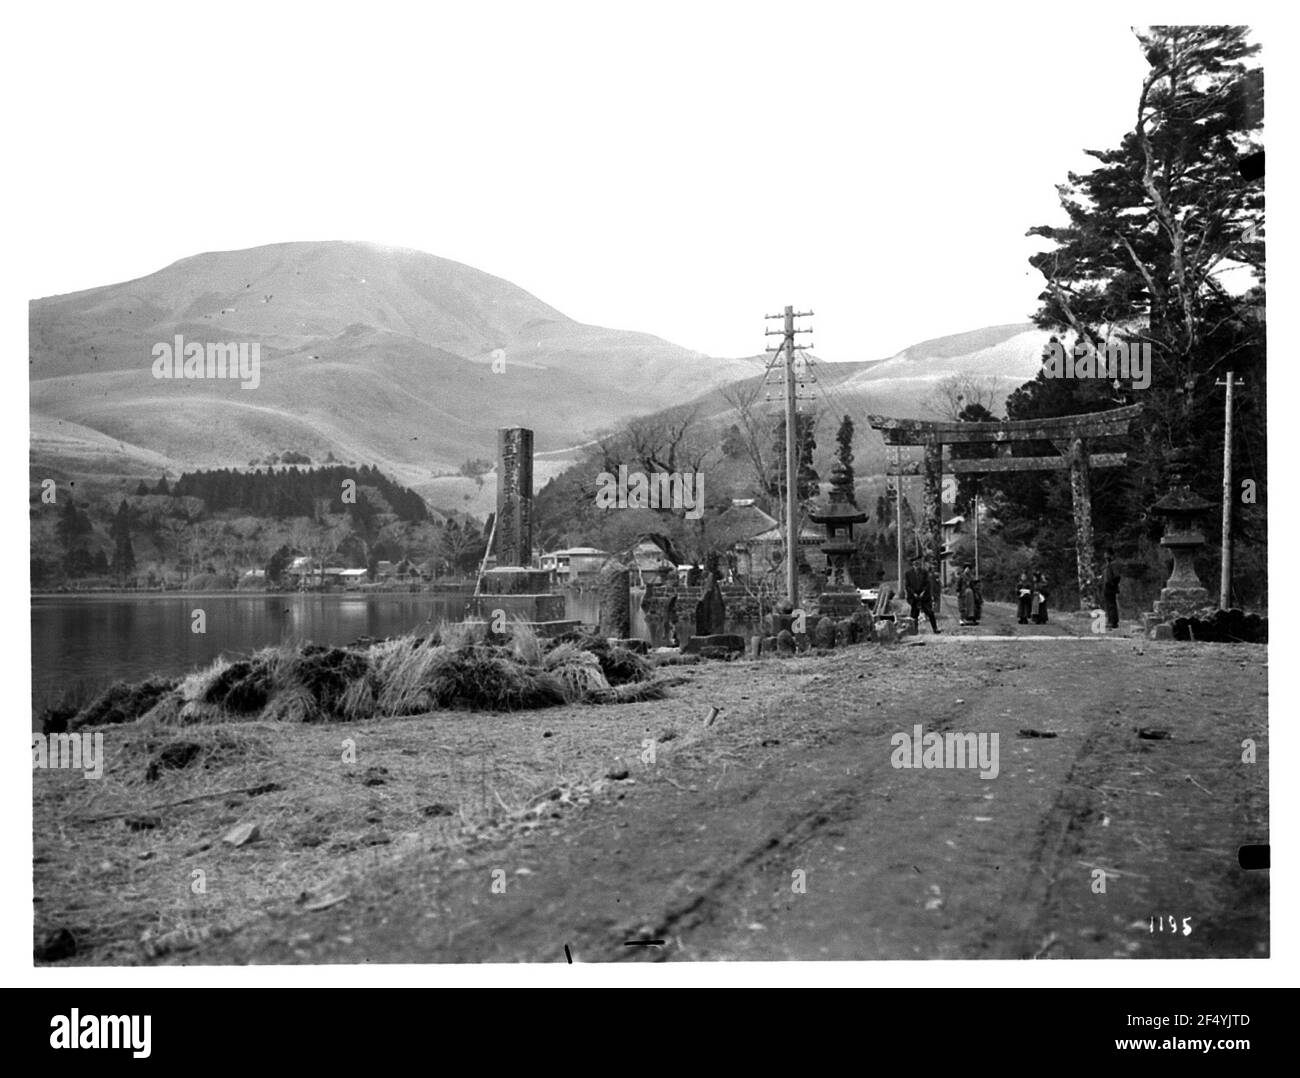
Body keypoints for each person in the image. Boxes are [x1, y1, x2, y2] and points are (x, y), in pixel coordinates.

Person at [904, 554, 940, 634]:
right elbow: (907, 586)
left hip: (924, 597)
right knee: (914, 615)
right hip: (914, 597)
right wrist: (913, 594)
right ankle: (914, 630)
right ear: (913, 564)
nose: (917, 565)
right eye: (915, 563)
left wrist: (923, 592)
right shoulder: (908, 574)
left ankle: (935, 628)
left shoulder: (924, 572)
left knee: (930, 612)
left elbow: (927, 584)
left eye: (918, 563)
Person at [1101, 548, 1122, 631]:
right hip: (1106, 588)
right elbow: (1105, 577)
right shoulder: (1107, 566)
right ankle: (1110, 620)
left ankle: (1113, 622)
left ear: (1111, 555)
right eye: (1105, 554)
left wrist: (1112, 584)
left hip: (1110, 587)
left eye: (1107, 554)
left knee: (1111, 605)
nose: (1105, 556)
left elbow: (1117, 576)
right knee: (1108, 605)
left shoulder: (1113, 564)